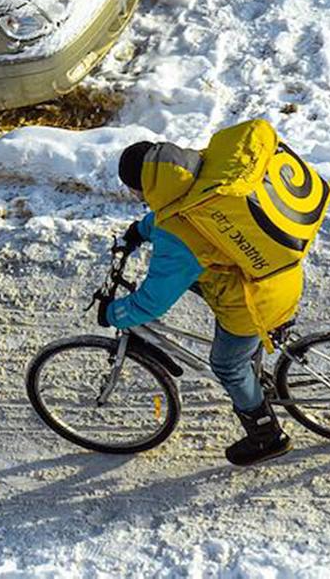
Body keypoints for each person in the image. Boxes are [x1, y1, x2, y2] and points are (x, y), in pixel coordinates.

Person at [107, 139, 301, 466]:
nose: (135, 197)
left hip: (253, 302)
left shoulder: (176, 240)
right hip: (277, 275)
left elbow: (153, 303)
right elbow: (176, 213)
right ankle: (254, 374)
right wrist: (140, 231)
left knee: (227, 364)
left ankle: (267, 436)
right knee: (235, 342)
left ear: (146, 186)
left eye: (133, 190)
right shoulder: (194, 176)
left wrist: (115, 313)